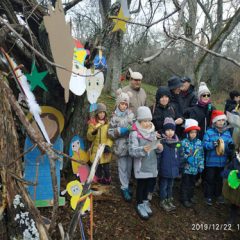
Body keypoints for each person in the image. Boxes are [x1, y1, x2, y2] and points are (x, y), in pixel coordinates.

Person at [129, 106, 163, 220]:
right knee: (141, 185)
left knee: (150, 184)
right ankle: (139, 203)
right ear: (139, 121)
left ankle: (145, 202)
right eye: (144, 121)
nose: (147, 123)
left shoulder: (152, 132)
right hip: (141, 166)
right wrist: (143, 149)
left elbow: (156, 149)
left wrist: (159, 147)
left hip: (152, 165)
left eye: (149, 121)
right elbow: (132, 150)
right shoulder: (134, 133)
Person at [108, 89, 134, 202]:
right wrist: (119, 131)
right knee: (122, 168)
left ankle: (127, 184)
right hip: (120, 146)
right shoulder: (114, 117)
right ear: (118, 104)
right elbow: (109, 132)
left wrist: (132, 128)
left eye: (125, 104)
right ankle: (124, 188)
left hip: (131, 145)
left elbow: (135, 126)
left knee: (129, 168)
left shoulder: (131, 115)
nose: (123, 106)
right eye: (122, 104)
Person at [203, 110, 233, 206]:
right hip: (211, 161)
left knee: (219, 179)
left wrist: (230, 147)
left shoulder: (227, 133)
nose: (221, 122)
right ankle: (208, 196)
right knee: (210, 179)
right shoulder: (209, 132)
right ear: (214, 122)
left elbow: (228, 146)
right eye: (219, 120)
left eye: (222, 120)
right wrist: (213, 144)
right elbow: (205, 145)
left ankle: (218, 195)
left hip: (222, 162)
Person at [158, 117, 182, 212]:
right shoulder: (162, 142)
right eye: (167, 130)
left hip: (174, 170)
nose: (170, 132)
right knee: (163, 185)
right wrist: (158, 169)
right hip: (164, 169)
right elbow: (159, 157)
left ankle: (169, 199)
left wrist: (179, 167)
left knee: (170, 185)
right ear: (164, 130)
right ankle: (163, 200)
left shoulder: (177, 143)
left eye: (172, 130)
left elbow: (180, 156)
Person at [180, 119, 204, 208]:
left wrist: (201, 165)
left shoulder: (199, 142)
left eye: (195, 132)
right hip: (186, 168)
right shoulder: (184, 142)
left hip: (195, 169)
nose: (193, 134)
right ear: (187, 133)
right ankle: (184, 198)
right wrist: (187, 158)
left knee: (192, 184)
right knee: (185, 184)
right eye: (191, 132)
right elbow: (180, 154)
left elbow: (201, 155)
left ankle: (190, 196)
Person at [87, 103, 113, 184]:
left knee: (106, 166)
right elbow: (89, 137)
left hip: (105, 148)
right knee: (96, 165)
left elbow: (111, 137)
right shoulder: (93, 124)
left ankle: (107, 179)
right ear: (97, 113)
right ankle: (98, 179)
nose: (101, 114)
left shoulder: (108, 124)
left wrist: (108, 145)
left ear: (105, 113)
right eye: (100, 112)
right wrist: (93, 132)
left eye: (103, 112)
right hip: (96, 149)